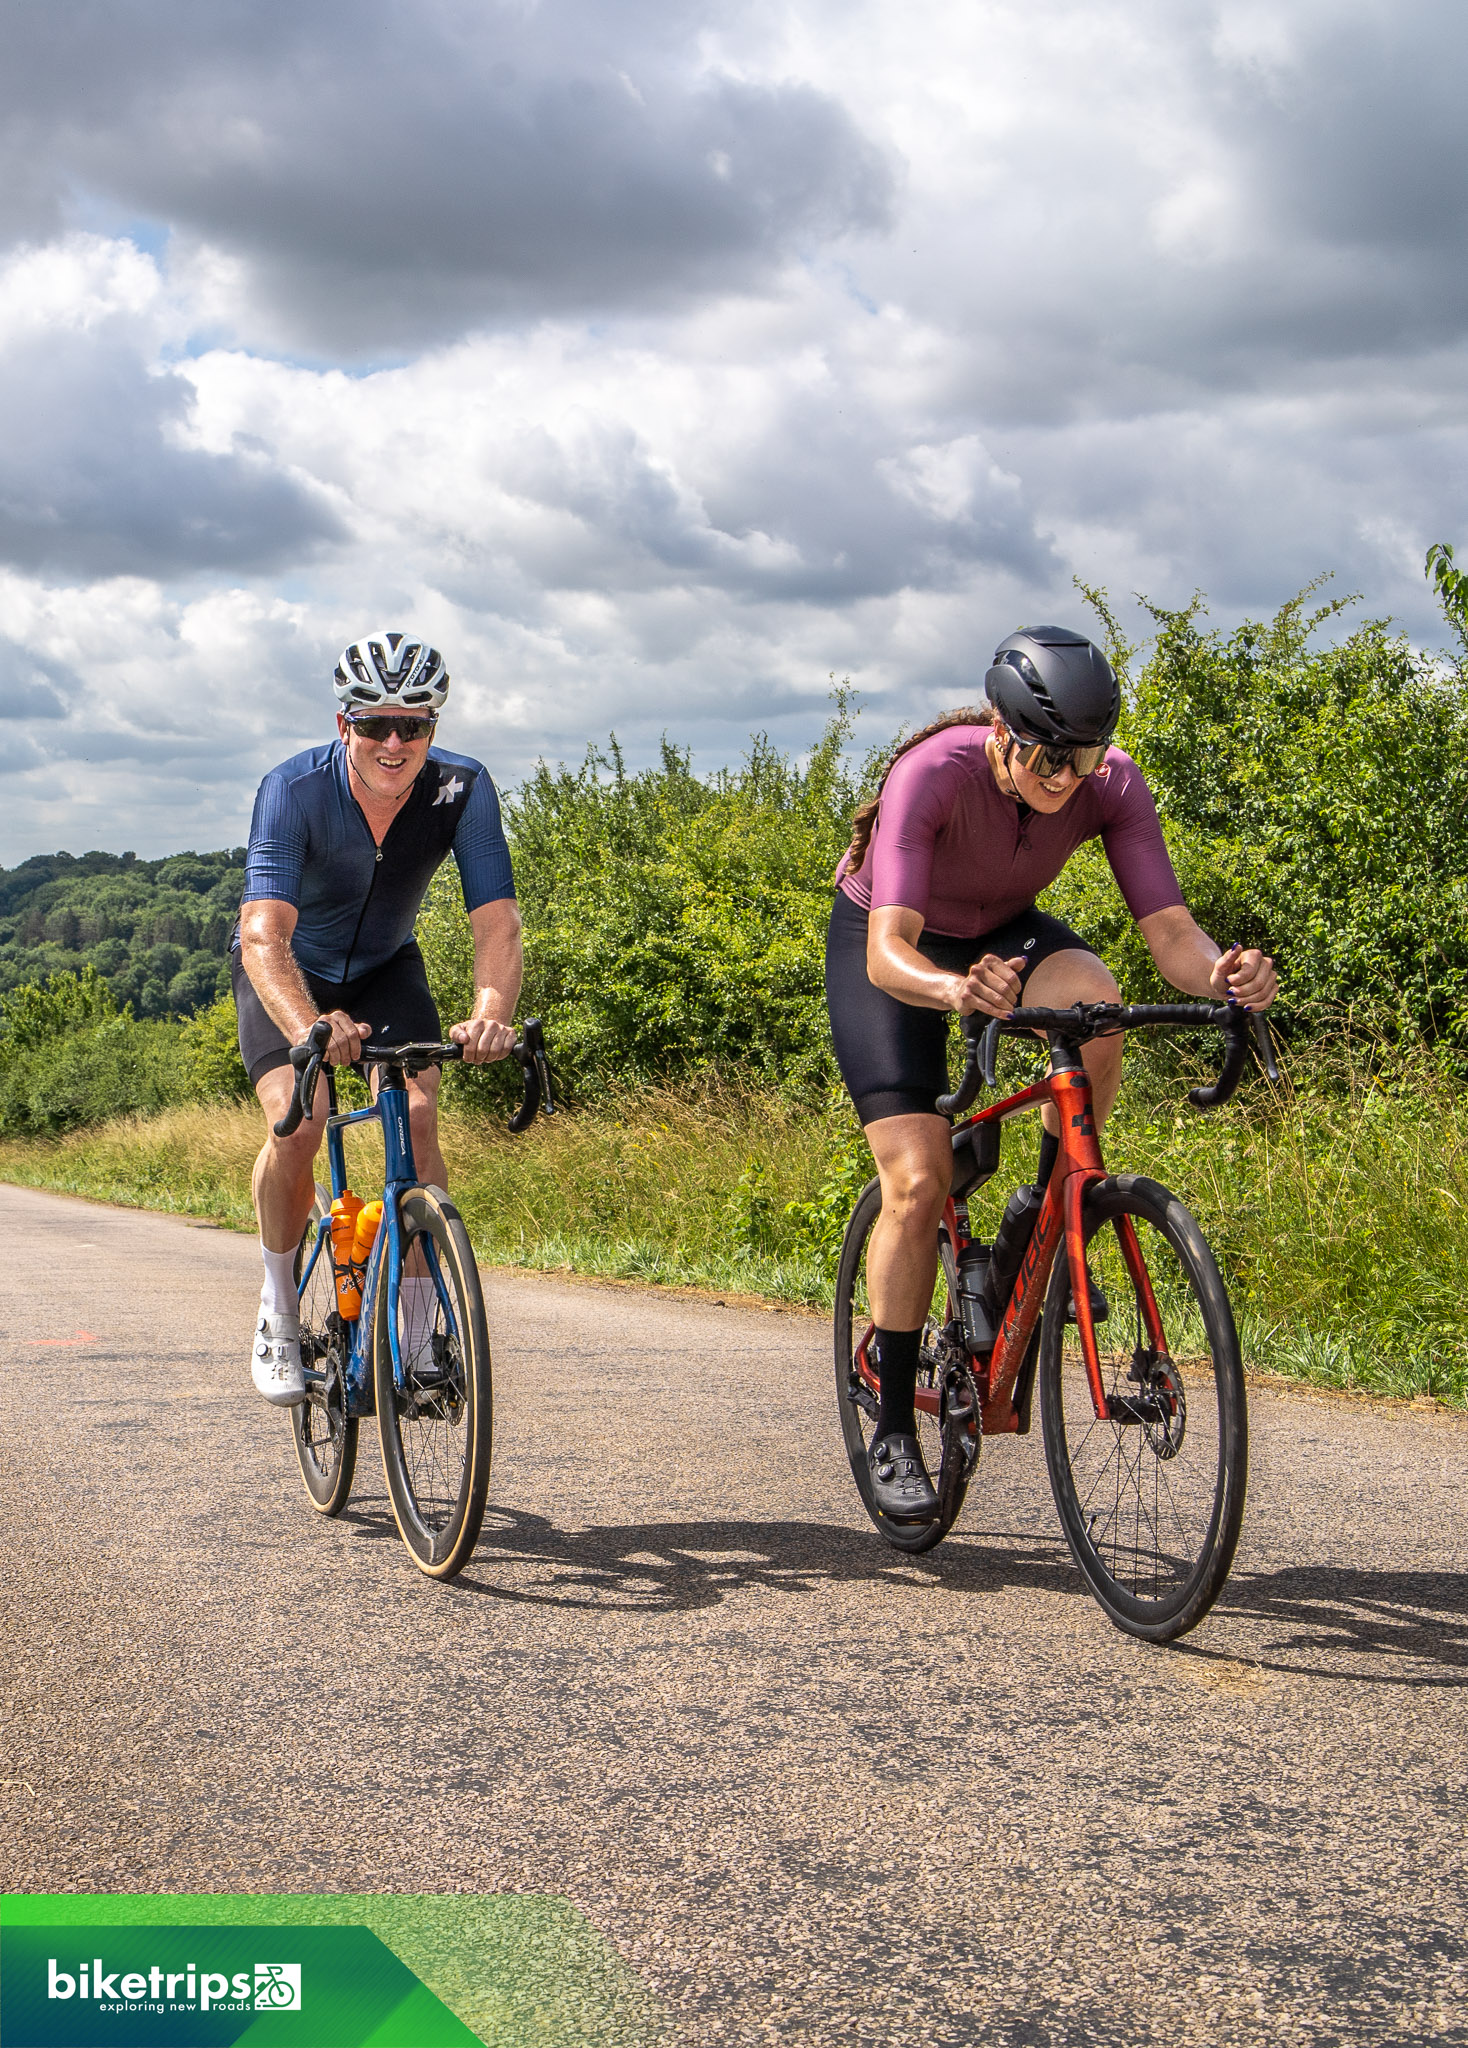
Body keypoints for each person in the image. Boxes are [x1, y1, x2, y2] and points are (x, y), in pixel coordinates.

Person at [825, 625, 1277, 1519]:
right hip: (899, 947)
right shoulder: (935, 773)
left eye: (1083, 757)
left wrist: (1224, 972)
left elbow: (1171, 935)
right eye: (1045, 756)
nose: (1064, 777)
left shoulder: (1111, 783)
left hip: (1004, 936)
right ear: (1000, 729)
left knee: (1098, 1008)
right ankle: (890, 1424)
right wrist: (955, 990)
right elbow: (888, 952)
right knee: (916, 1184)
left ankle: (1036, 1217)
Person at [235, 632, 523, 1405]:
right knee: (301, 1122)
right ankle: (277, 1310)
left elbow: (497, 924)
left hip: (387, 969)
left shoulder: (461, 790)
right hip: (291, 970)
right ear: (344, 727)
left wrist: (490, 1014)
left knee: (420, 1112)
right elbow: (264, 933)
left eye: (414, 725)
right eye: (374, 725)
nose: (394, 743)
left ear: (434, 726)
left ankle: (422, 1332)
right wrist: (307, 1023)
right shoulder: (292, 790)